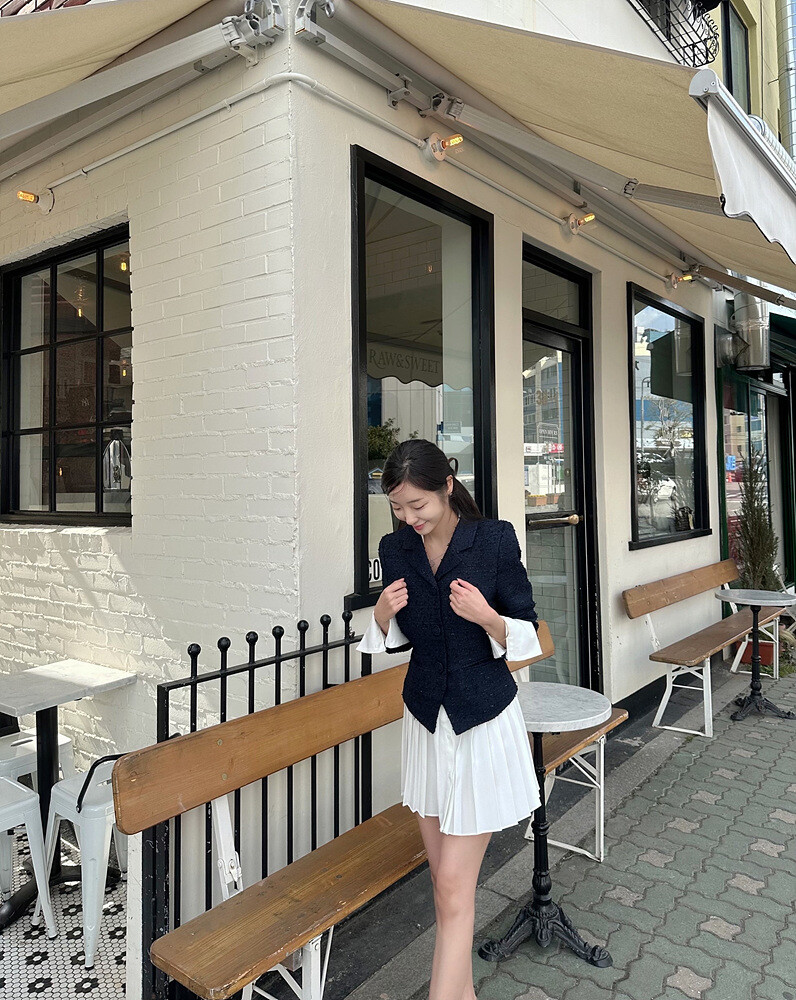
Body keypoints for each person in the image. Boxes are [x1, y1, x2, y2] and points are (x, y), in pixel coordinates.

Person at [357, 438, 542, 1000]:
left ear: (447, 486)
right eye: (397, 507)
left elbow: (530, 631)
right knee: (445, 887)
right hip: (426, 724)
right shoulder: (395, 548)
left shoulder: (494, 540)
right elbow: (404, 637)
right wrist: (381, 617)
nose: (408, 518)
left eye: (418, 505)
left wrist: (488, 618)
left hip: (482, 725)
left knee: (455, 889)